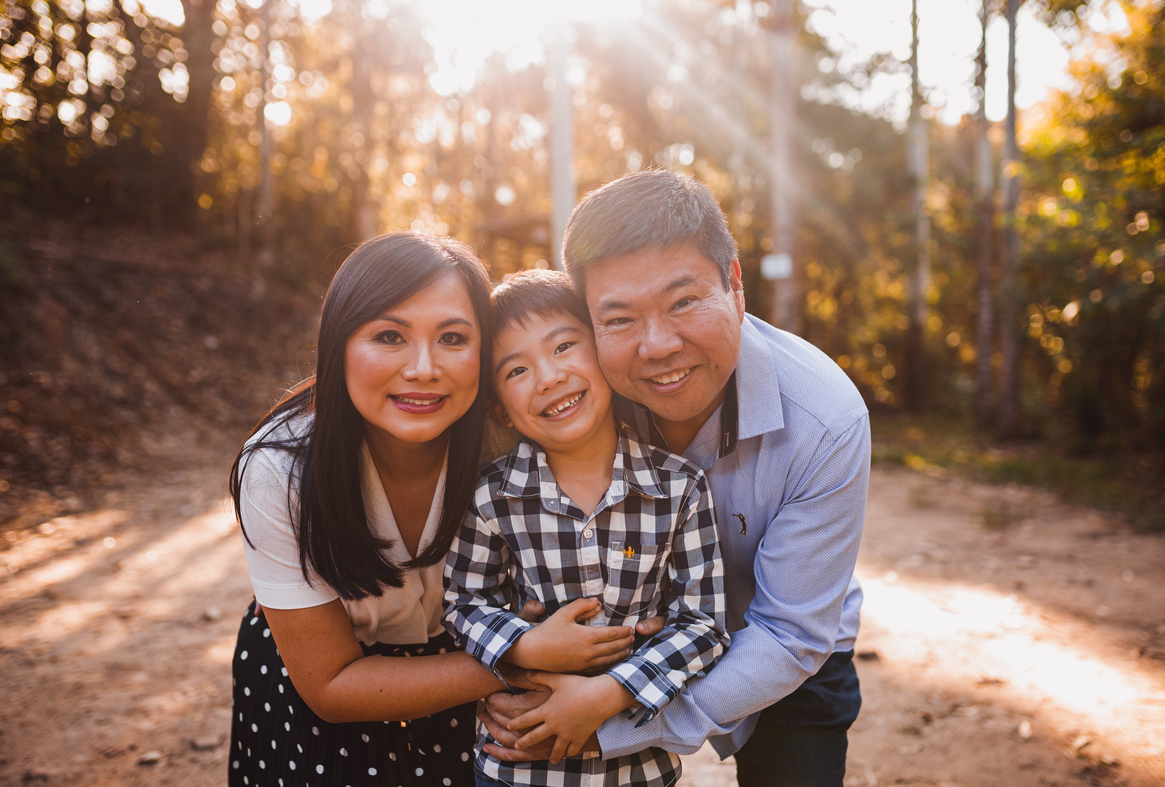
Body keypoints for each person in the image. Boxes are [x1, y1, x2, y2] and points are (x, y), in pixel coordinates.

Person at [481, 171, 870, 786]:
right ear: (589, 322)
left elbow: (791, 632)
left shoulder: (826, 420)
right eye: (620, 319)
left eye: (684, 301)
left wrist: (613, 712)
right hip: (627, 645)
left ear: (734, 286)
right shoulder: (580, 391)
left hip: (785, 656)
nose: (658, 346)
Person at [226, 232, 636, 786]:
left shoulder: (514, 436)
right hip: (324, 707)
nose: (423, 368)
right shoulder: (281, 471)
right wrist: (516, 660)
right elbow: (328, 684)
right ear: (339, 343)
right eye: (390, 336)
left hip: (481, 703)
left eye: (452, 338)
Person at [442, 269, 729, 787]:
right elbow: (462, 604)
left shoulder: (679, 488)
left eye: (564, 347)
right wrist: (524, 646)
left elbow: (703, 625)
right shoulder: (491, 497)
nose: (548, 378)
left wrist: (614, 689)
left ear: (602, 351)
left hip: (636, 764)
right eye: (516, 371)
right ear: (499, 411)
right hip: (517, 763)